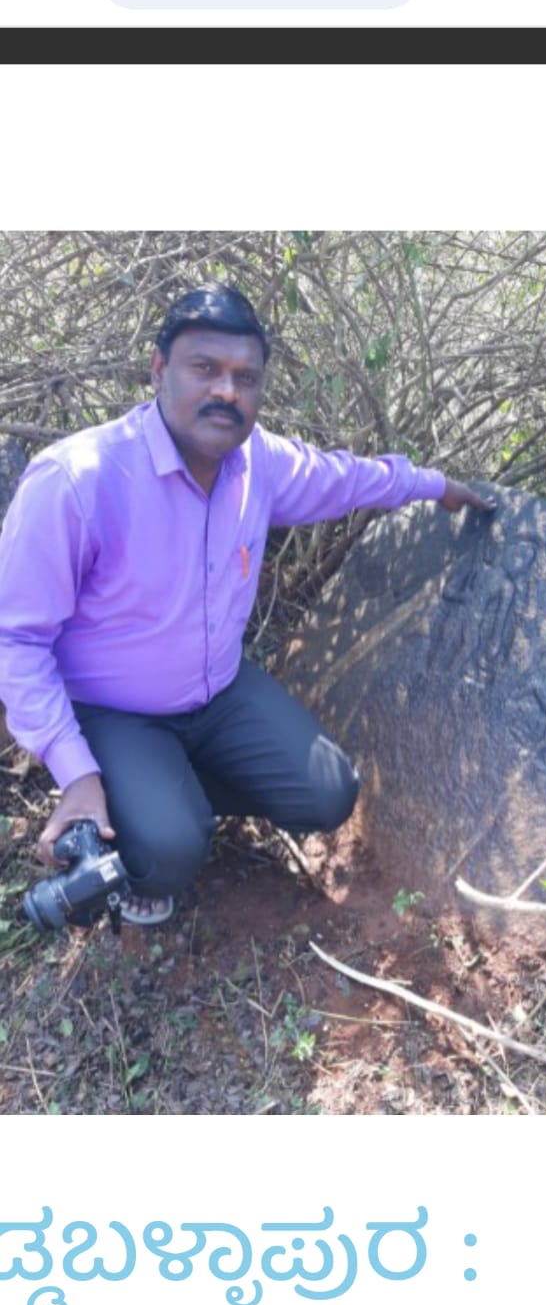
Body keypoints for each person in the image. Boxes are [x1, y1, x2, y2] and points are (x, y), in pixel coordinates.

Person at [0, 284, 495, 925]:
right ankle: (134, 815)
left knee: (329, 790)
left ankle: (159, 796)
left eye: (245, 377)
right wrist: (76, 771)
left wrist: (436, 486)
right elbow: (16, 639)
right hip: (113, 711)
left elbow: (346, 479)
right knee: (171, 850)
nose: (227, 392)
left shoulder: (258, 464)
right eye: (204, 368)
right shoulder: (78, 480)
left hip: (218, 695)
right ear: (159, 369)